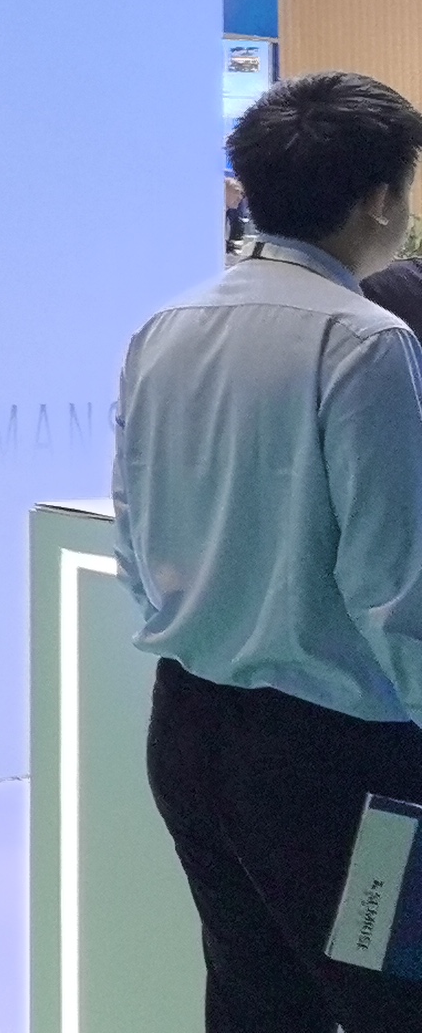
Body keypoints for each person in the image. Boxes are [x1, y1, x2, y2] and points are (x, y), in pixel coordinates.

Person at [120, 69, 422, 1030]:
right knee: (389, 1000)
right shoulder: (365, 341)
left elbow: (135, 531)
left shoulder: (167, 326)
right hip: (334, 754)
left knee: (253, 998)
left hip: (187, 724)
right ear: (380, 200)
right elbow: (392, 582)